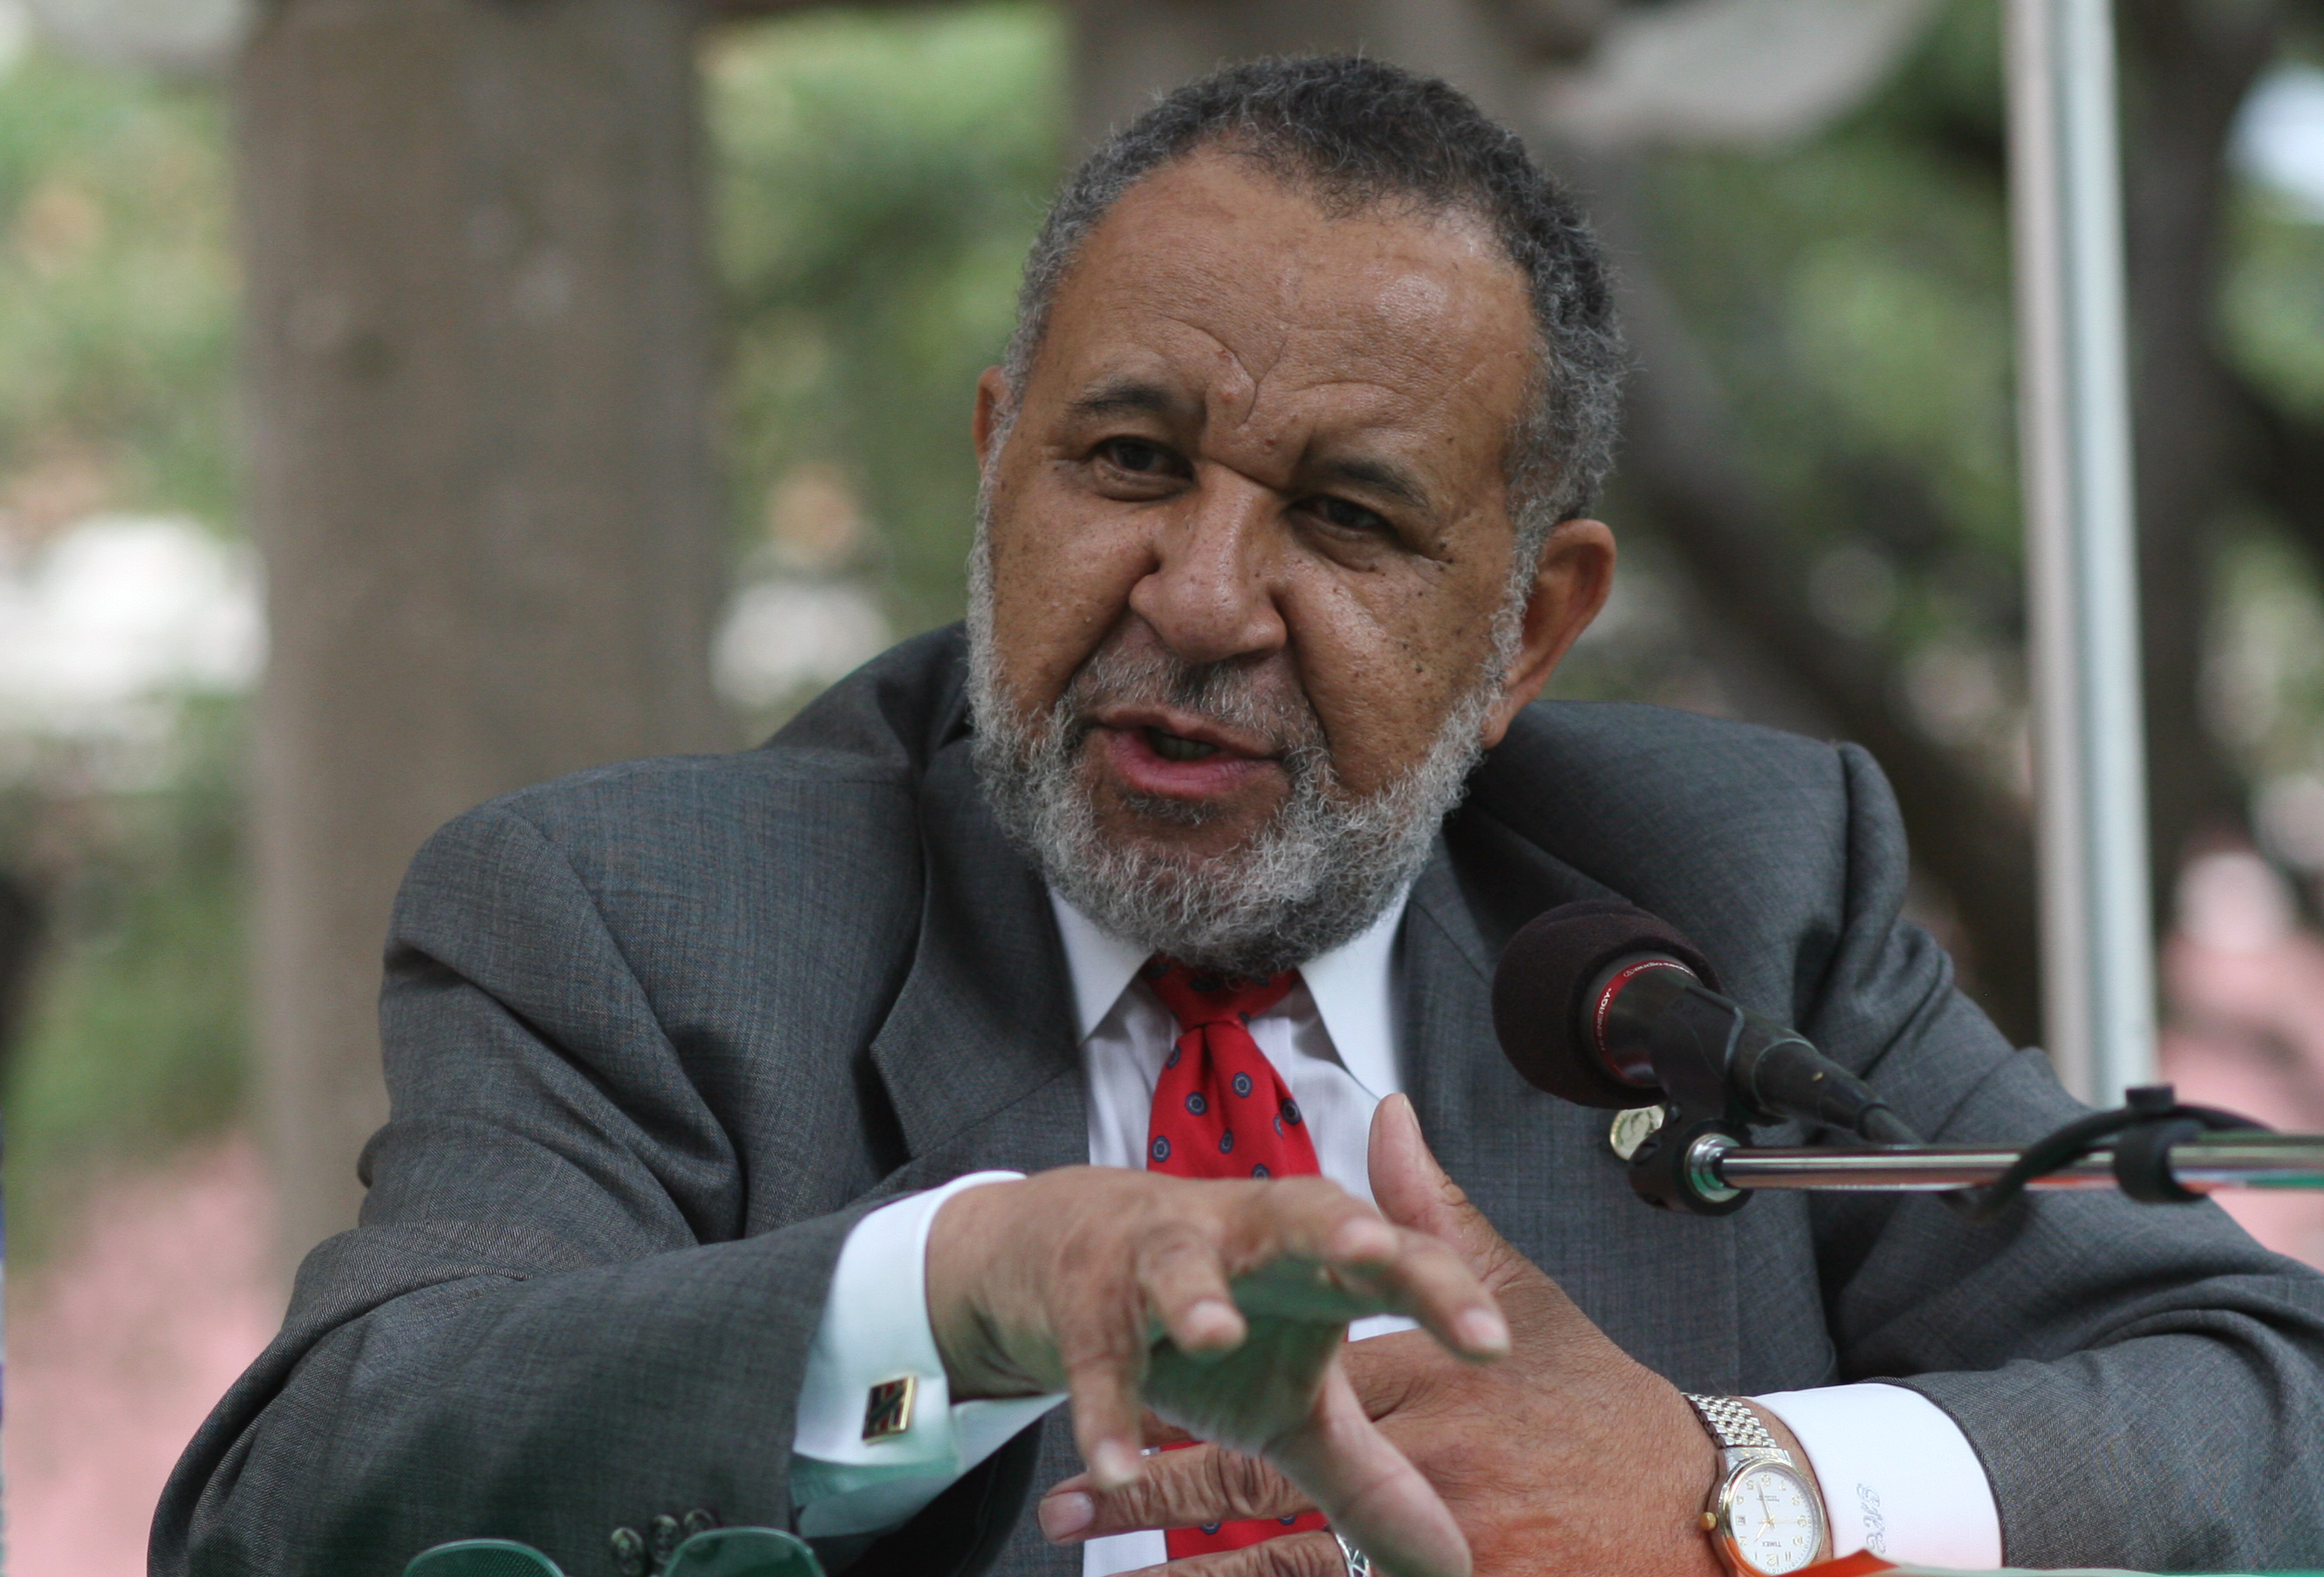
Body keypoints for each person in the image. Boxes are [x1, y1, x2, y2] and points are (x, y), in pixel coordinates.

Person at [158, 57, 2324, 1577]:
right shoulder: (641, 918)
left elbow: (2266, 1399)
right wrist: (971, 1277)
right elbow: (298, 1502)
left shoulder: (1729, 893)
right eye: (1124, 462)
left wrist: (1714, 1479)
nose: (1198, 599)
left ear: (1531, 631)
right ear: (998, 457)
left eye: (1349, 517)